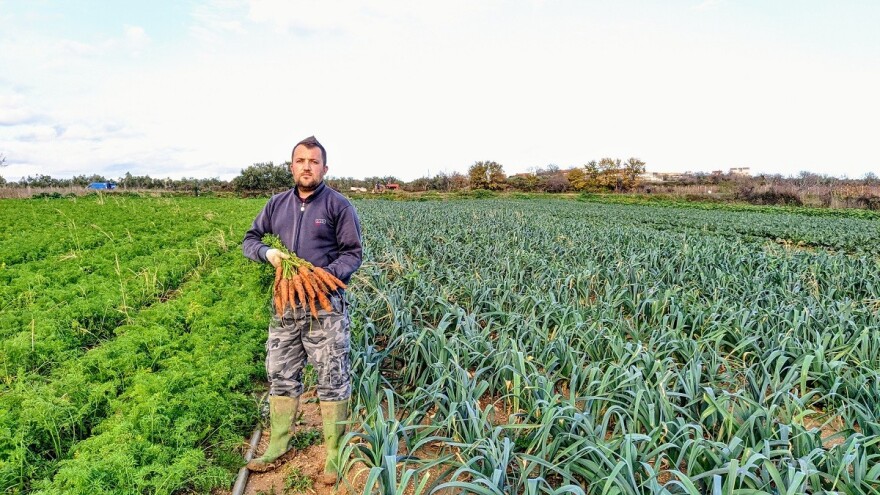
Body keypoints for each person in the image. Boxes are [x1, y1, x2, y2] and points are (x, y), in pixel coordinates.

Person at [242, 136, 363, 483]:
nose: (306, 166)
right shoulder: (276, 205)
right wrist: (268, 253)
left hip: (325, 307)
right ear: (291, 166)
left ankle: (335, 453)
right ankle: (278, 445)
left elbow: (353, 254)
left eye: (313, 161)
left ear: (325, 168)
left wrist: (322, 277)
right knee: (280, 373)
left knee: (332, 377)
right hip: (285, 306)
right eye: (300, 161)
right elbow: (250, 240)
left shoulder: (339, 205)